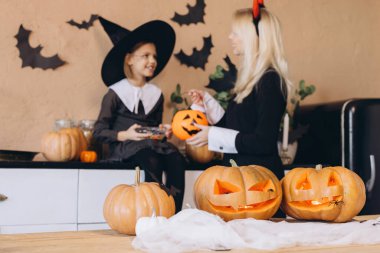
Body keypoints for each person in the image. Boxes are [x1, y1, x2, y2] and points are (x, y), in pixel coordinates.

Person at [186, 6, 292, 179]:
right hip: (240, 178)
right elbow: (235, 129)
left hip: (259, 182)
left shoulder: (270, 81)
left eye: (236, 33)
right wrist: (207, 102)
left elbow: (263, 142)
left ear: (254, 37)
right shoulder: (251, 81)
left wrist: (212, 135)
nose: (230, 37)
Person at [93, 17, 186, 213]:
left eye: (154, 56)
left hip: (151, 143)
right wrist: (126, 134)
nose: (152, 61)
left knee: (176, 158)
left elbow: (155, 129)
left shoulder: (156, 94)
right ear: (129, 59)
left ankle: (174, 213)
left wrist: (163, 131)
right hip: (125, 146)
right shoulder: (115, 93)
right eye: (145, 55)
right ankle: (153, 213)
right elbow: (99, 131)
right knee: (150, 158)